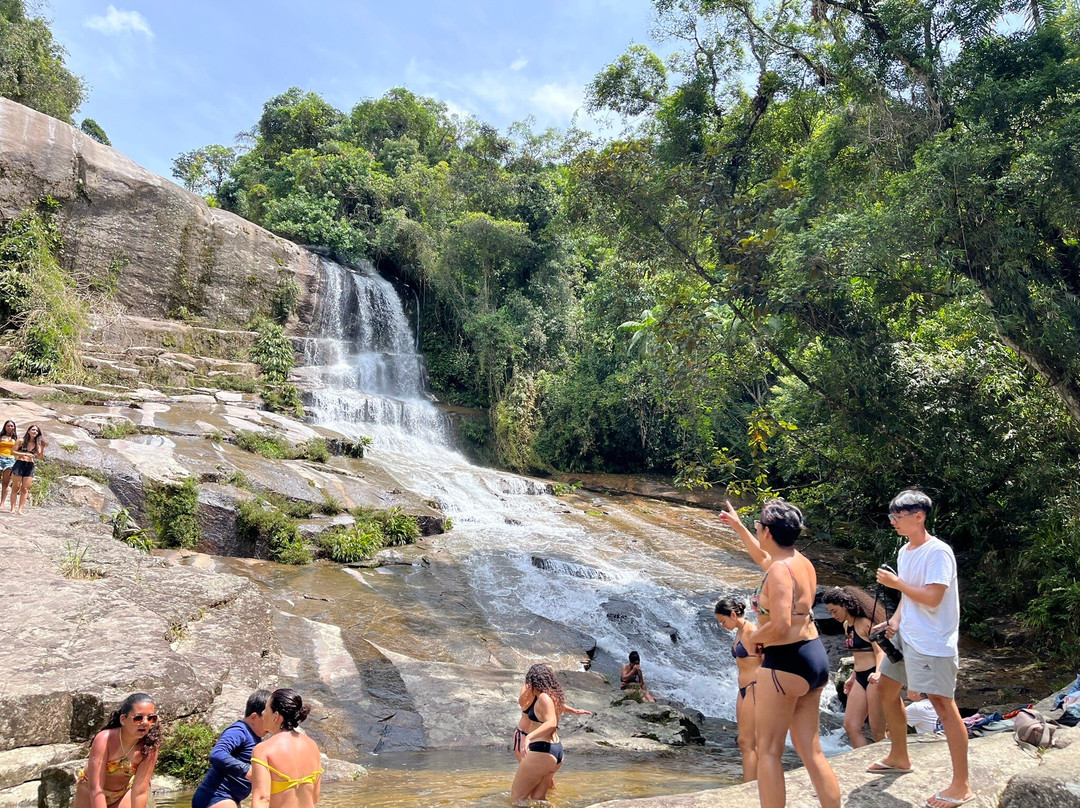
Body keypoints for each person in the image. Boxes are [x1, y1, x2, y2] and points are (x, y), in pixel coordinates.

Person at [719, 499, 839, 808]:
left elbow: (782, 623)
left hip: (785, 661)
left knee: (769, 750)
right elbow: (763, 558)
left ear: (769, 531)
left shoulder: (779, 572)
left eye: (758, 525)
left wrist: (755, 638)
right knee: (810, 750)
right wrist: (738, 527)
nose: (757, 529)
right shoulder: (801, 562)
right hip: (813, 656)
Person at [871, 490, 972, 808]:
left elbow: (932, 597)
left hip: (932, 642)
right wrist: (895, 622)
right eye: (892, 517)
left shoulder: (938, 552)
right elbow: (909, 597)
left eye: (898, 517)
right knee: (886, 690)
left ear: (920, 516)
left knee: (944, 706)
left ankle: (961, 785)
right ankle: (899, 755)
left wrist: (895, 583)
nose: (894, 522)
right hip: (907, 636)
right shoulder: (904, 551)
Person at [822, 586, 887, 746]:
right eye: (830, 612)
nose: (833, 615)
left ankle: (891, 761)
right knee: (851, 725)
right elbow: (858, 656)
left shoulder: (865, 623)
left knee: (877, 729)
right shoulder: (847, 626)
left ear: (845, 605)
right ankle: (863, 762)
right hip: (860, 677)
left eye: (834, 611)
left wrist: (878, 673)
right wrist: (852, 677)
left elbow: (880, 652)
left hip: (874, 676)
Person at [74, 692, 160, 808]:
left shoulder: (149, 747)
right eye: (138, 718)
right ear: (123, 719)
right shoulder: (104, 739)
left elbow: (140, 791)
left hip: (122, 793)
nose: (145, 723)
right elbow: (96, 788)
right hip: (90, 790)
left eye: (151, 718)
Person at [192, 690, 270, 808]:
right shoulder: (239, 731)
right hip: (214, 796)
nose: (269, 725)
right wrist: (247, 770)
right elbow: (217, 754)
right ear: (254, 717)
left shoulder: (255, 735)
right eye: (266, 719)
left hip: (230, 797)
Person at [247, 688, 322, 808]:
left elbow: (262, 799)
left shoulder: (263, 750)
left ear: (276, 716)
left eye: (266, 709)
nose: (263, 713)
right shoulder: (312, 745)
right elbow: (314, 796)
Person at [715, 597, 761, 781]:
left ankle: (751, 785)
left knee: (749, 741)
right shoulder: (739, 631)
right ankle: (752, 782)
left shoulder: (752, 631)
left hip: (755, 687)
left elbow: (766, 661)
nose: (723, 625)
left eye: (723, 621)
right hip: (742, 688)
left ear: (733, 615)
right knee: (745, 740)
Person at [511, 663, 566, 804]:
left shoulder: (543, 698)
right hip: (554, 751)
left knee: (517, 800)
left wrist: (529, 737)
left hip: (541, 750)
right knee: (538, 799)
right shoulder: (552, 696)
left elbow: (551, 722)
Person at [9, 423, 45, 515]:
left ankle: (20, 510)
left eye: (37, 431)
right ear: (28, 431)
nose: (35, 432)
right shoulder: (21, 441)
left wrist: (42, 447)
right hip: (20, 463)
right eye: (33, 430)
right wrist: (25, 454)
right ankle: (12, 508)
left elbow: (40, 457)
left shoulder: (37, 444)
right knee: (15, 487)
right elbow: (13, 452)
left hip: (30, 465)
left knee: (25, 488)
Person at [0, 419, 17, 509]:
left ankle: (2, 503)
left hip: (10, 460)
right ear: (5, 427)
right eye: (8, 426)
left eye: (11, 426)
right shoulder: (1, 436)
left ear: (14, 427)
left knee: (5, 483)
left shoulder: (16, 438)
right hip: (0, 457)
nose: (10, 427)